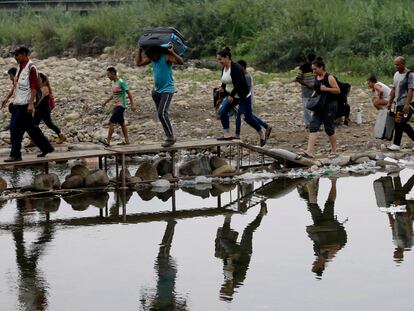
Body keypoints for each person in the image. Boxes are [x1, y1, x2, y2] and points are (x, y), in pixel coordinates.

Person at [4, 46, 54, 162]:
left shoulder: (31, 68)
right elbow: (17, 85)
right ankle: (46, 147)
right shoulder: (20, 67)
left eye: (16, 55)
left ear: (23, 54)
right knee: (31, 128)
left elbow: (34, 87)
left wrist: (31, 103)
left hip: (26, 104)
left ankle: (16, 154)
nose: (15, 57)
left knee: (16, 128)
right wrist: (7, 98)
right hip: (19, 103)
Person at [216, 47, 267, 146]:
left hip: (243, 95)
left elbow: (239, 84)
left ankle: (261, 133)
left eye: (220, 59)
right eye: (218, 59)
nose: (219, 61)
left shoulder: (236, 68)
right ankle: (226, 134)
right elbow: (224, 81)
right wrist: (222, 88)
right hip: (233, 94)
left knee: (247, 117)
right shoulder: (224, 68)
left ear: (227, 57)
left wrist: (231, 95)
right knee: (222, 112)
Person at [298, 178, 347, 278]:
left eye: (313, 264)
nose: (313, 263)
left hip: (319, 227)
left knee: (312, 205)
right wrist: (326, 248)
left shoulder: (317, 253)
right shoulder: (328, 256)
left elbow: (316, 241)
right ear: (320, 266)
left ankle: (310, 183)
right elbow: (337, 245)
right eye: (314, 265)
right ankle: (334, 182)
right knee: (329, 203)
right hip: (330, 227)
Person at [136, 45, 183, 147]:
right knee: (160, 115)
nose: (152, 59)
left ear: (157, 52)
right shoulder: (152, 58)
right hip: (157, 91)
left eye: (153, 56)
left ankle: (171, 137)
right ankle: (168, 135)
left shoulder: (166, 57)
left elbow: (181, 62)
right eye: (150, 57)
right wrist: (139, 50)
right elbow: (139, 63)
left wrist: (172, 52)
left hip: (168, 90)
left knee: (162, 113)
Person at [301, 57, 340, 158]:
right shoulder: (316, 77)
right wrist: (312, 98)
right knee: (313, 127)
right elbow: (317, 89)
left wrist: (326, 89)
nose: (313, 71)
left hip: (330, 105)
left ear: (321, 67)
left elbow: (337, 90)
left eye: (315, 69)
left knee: (329, 129)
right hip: (318, 106)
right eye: (313, 69)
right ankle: (309, 151)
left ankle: (334, 151)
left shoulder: (329, 77)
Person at [233, 60, 272, 140]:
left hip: (245, 99)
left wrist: (238, 98)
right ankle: (266, 127)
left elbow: (246, 90)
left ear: (243, 67)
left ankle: (261, 131)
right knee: (245, 116)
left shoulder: (247, 76)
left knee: (246, 117)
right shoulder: (242, 75)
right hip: (243, 98)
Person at [100, 67, 136, 146]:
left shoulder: (121, 82)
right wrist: (105, 102)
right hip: (116, 105)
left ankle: (108, 141)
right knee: (122, 123)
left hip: (121, 105)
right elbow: (113, 94)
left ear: (113, 73)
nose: (108, 76)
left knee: (111, 122)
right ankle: (127, 140)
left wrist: (133, 104)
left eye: (108, 74)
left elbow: (129, 94)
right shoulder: (113, 82)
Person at [386, 56, 414, 151]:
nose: (396, 66)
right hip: (398, 103)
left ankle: (396, 144)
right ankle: (396, 144)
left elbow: (411, 90)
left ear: (403, 64)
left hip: (407, 103)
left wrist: (407, 104)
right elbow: (394, 89)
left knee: (400, 122)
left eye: (397, 65)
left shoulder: (410, 75)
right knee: (399, 122)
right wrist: (390, 102)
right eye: (395, 64)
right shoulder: (396, 74)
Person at [33, 73, 66, 144]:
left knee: (48, 124)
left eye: (38, 78)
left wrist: (32, 106)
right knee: (35, 124)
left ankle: (61, 136)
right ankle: (34, 140)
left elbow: (40, 100)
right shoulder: (40, 88)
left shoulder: (44, 88)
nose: (37, 80)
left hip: (44, 109)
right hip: (39, 109)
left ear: (42, 79)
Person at [295, 53, 316, 128]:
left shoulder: (315, 67)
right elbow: (298, 78)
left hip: (315, 90)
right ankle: (308, 124)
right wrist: (308, 85)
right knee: (306, 107)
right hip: (306, 90)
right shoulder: (303, 67)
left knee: (315, 107)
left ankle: (313, 123)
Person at [1, 67, 17, 144]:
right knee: (13, 126)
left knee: (14, 126)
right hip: (17, 106)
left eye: (11, 76)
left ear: (15, 75)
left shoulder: (20, 82)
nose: (10, 78)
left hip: (20, 107)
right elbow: (13, 90)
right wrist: (7, 98)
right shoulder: (15, 82)